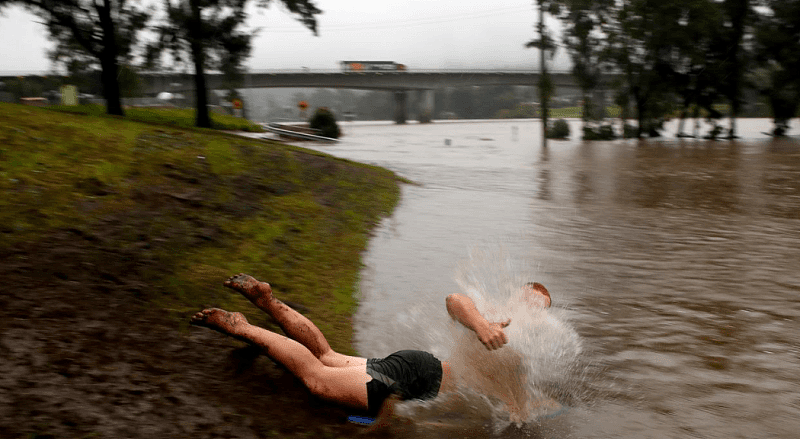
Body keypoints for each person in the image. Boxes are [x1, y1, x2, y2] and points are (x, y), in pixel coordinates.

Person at [191, 274, 552, 417]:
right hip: (415, 381)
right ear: (520, 297)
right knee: (315, 377)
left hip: (418, 370)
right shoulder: (498, 324)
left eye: (538, 305)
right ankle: (243, 327)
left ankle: (267, 300)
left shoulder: (524, 351)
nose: (531, 306)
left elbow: (514, 408)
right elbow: (455, 299)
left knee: (326, 357)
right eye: (529, 298)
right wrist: (480, 325)